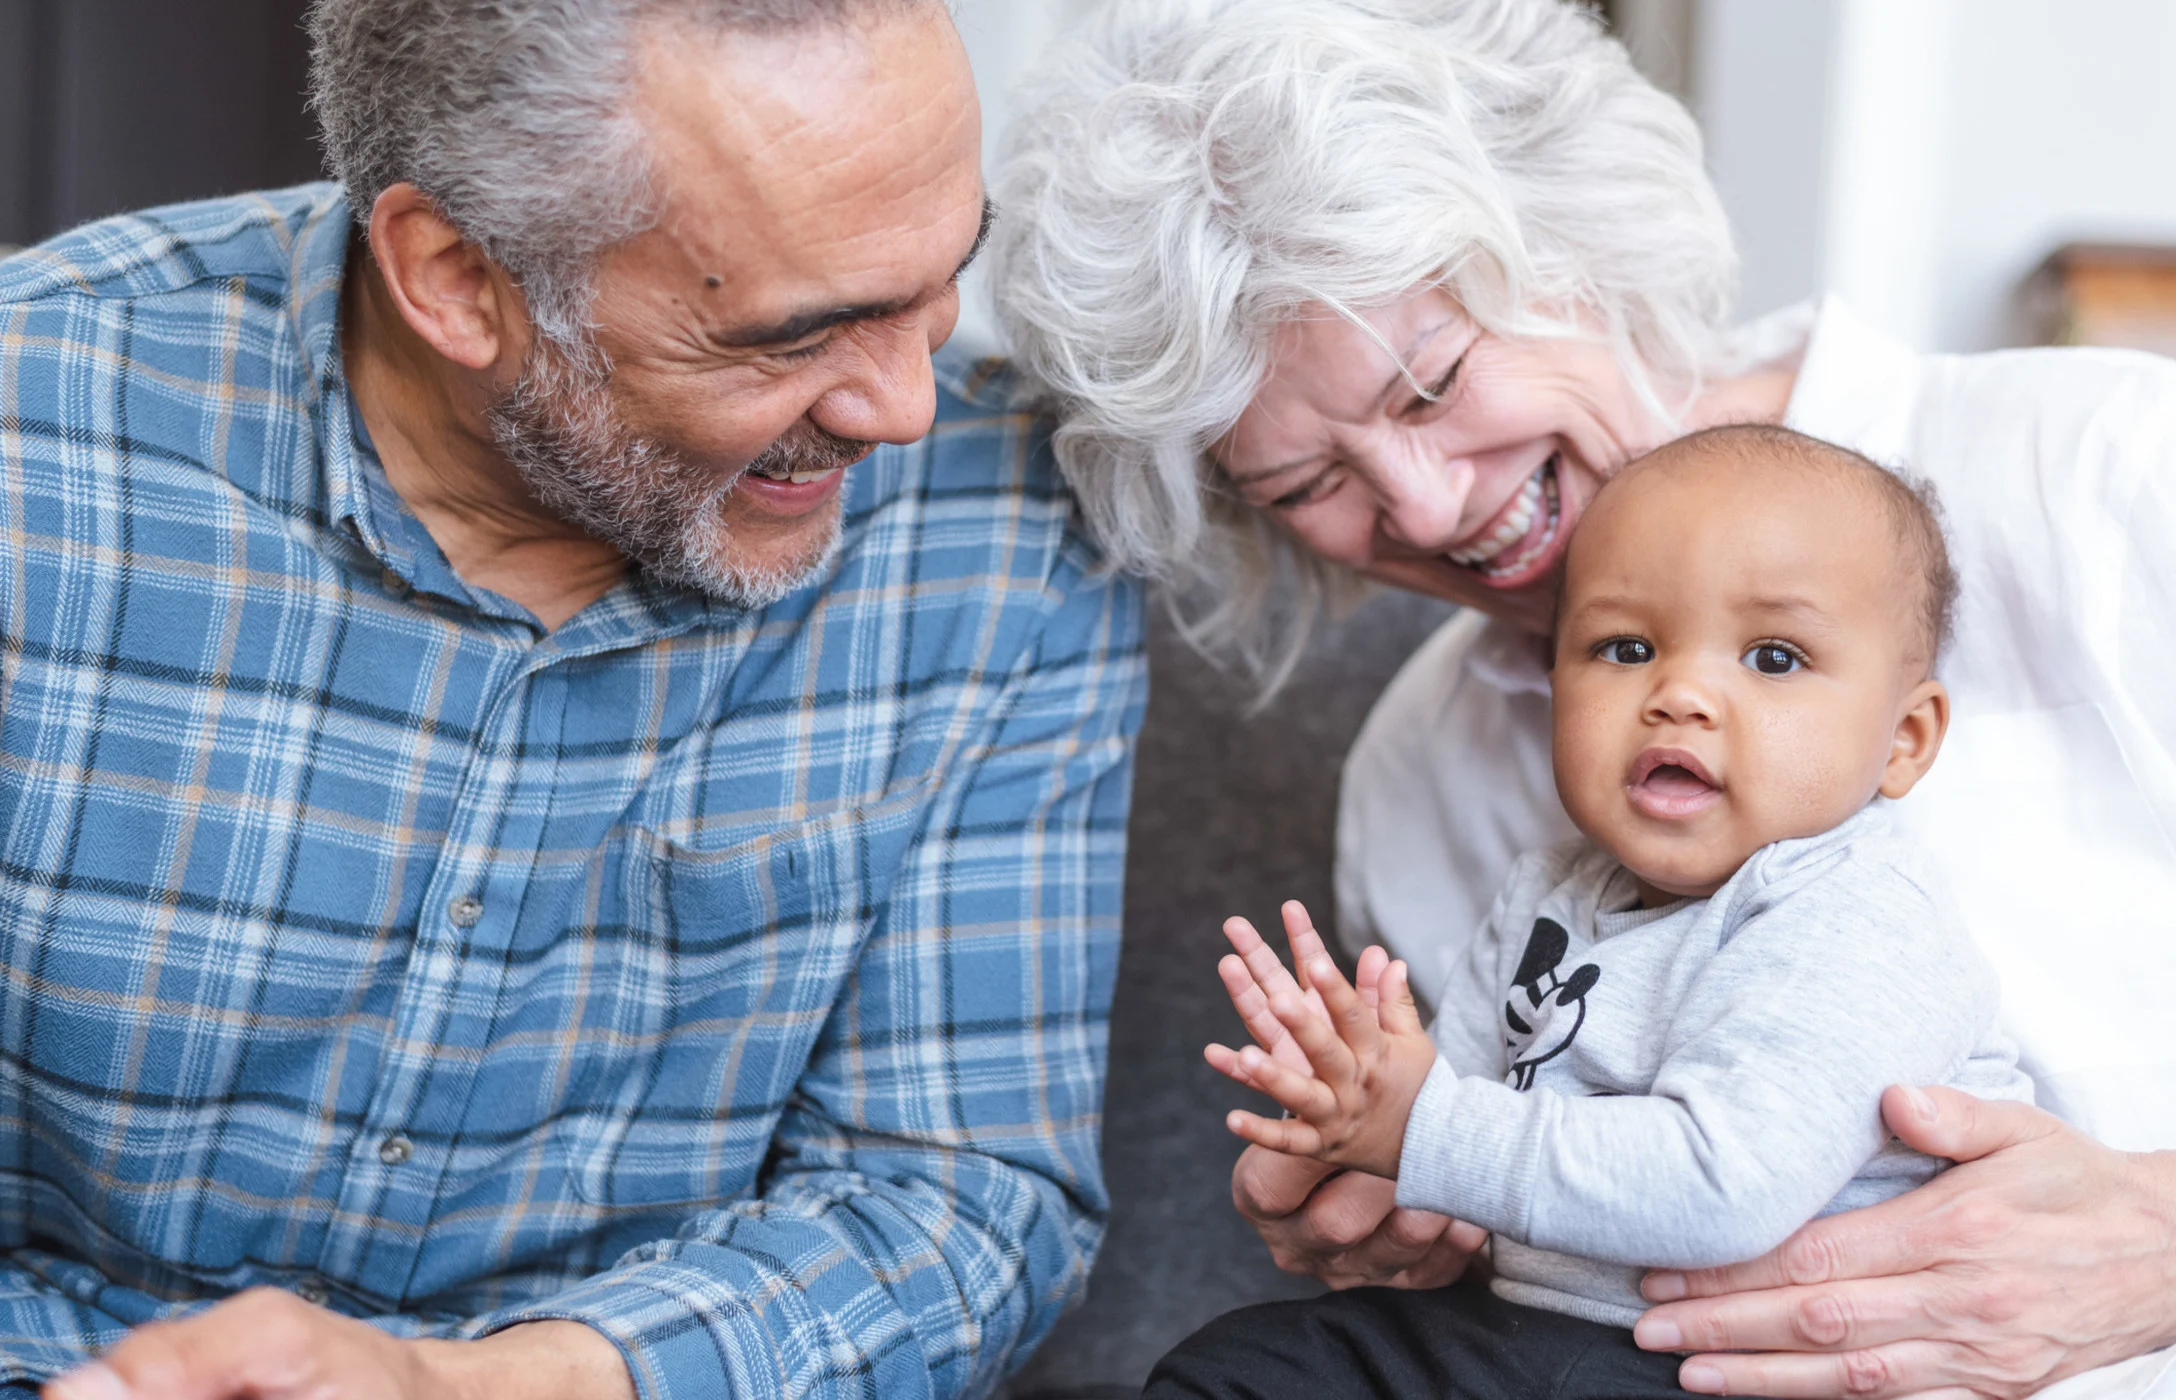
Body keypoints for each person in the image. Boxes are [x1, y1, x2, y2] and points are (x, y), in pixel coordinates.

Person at [989, 0, 2176, 1395]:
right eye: (1308, 485)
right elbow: (1526, 1197)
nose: (1424, 506)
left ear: (1576, 250)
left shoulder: (2108, 478)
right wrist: (1416, 1201)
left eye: (1432, 385)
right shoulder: (1416, 780)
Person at [0, 1, 1144, 1398]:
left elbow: (955, 1202)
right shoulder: (33, 452)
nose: (904, 408)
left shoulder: (1004, 531)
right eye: (797, 336)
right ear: (458, 278)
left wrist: (470, 1389)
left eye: (938, 281)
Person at [1154, 425, 2035, 1398]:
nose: (1681, 693)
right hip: (1525, 1327)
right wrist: (1350, 1128)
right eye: (1624, 646)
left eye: (1773, 657)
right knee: (1242, 1365)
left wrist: (1423, 1128)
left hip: (1750, 1363)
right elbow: (1453, 1123)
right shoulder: (1549, 891)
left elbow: (1721, 1187)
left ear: (1904, 739)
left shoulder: (1861, 914)